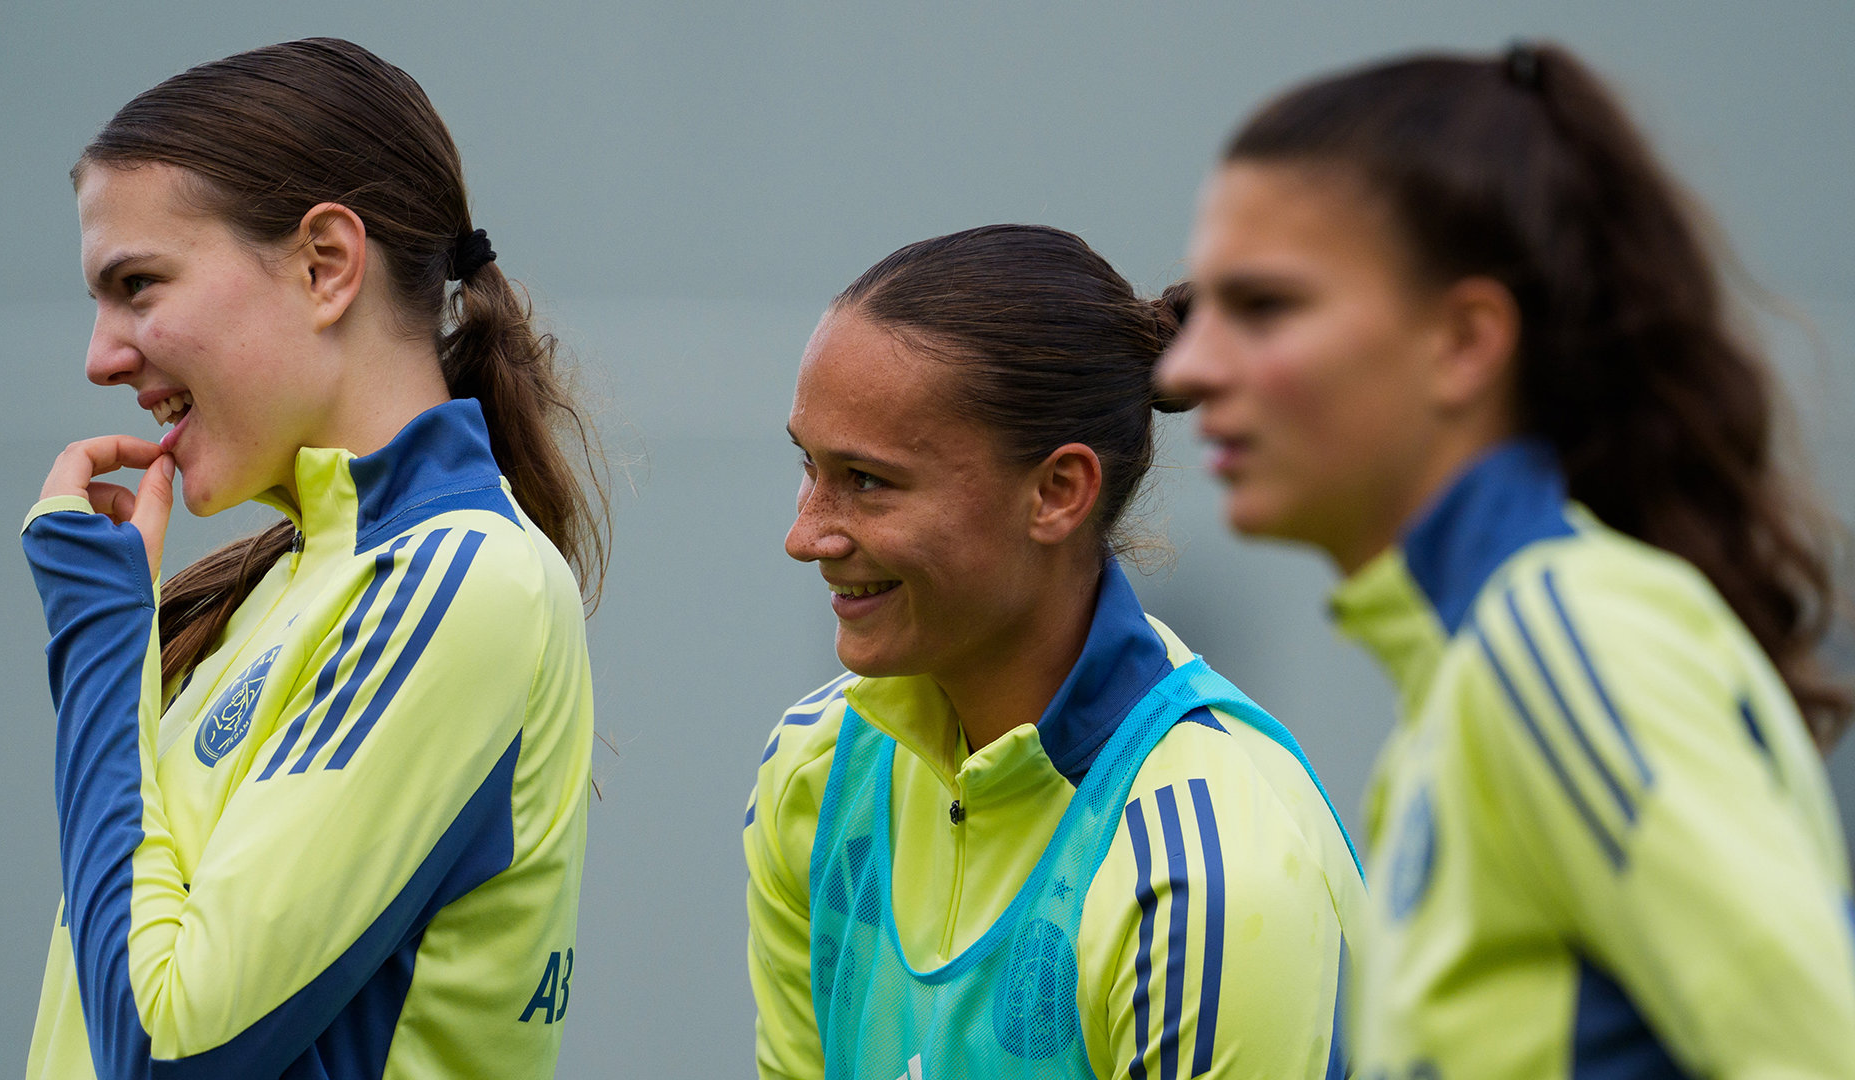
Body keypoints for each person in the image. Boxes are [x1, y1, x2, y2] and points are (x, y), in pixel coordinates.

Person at [1156, 41, 1855, 1078]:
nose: (1190, 365)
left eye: (1264, 308)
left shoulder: (1554, 639)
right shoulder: (1476, 665)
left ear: (1466, 342)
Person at [20, 38, 607, 1079]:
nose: (101, 356)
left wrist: (99, 652)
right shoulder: (283, 586)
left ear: (325, 264)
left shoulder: (461, 578)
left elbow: (164, 1047)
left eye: (139, 283)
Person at [745, 224, 1365, 1080]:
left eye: (867, 481)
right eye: (809, 468)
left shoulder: (1207, 878)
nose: (805, 534)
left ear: (1057, 492)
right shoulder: (813, 771)